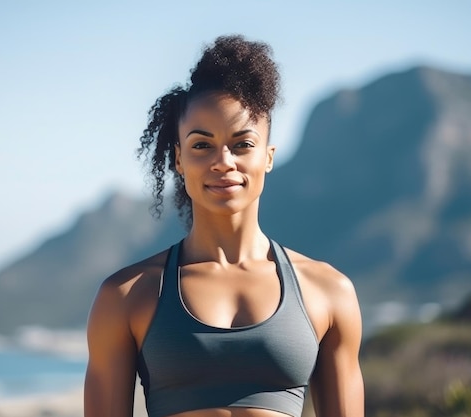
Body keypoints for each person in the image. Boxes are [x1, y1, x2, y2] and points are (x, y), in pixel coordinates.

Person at [84, 35, 364, 417]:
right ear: (179, 159)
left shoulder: (329, 292)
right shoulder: (126, 296)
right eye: (202, 146)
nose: (224, 161)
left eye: (242, 144)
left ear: (268, 157)